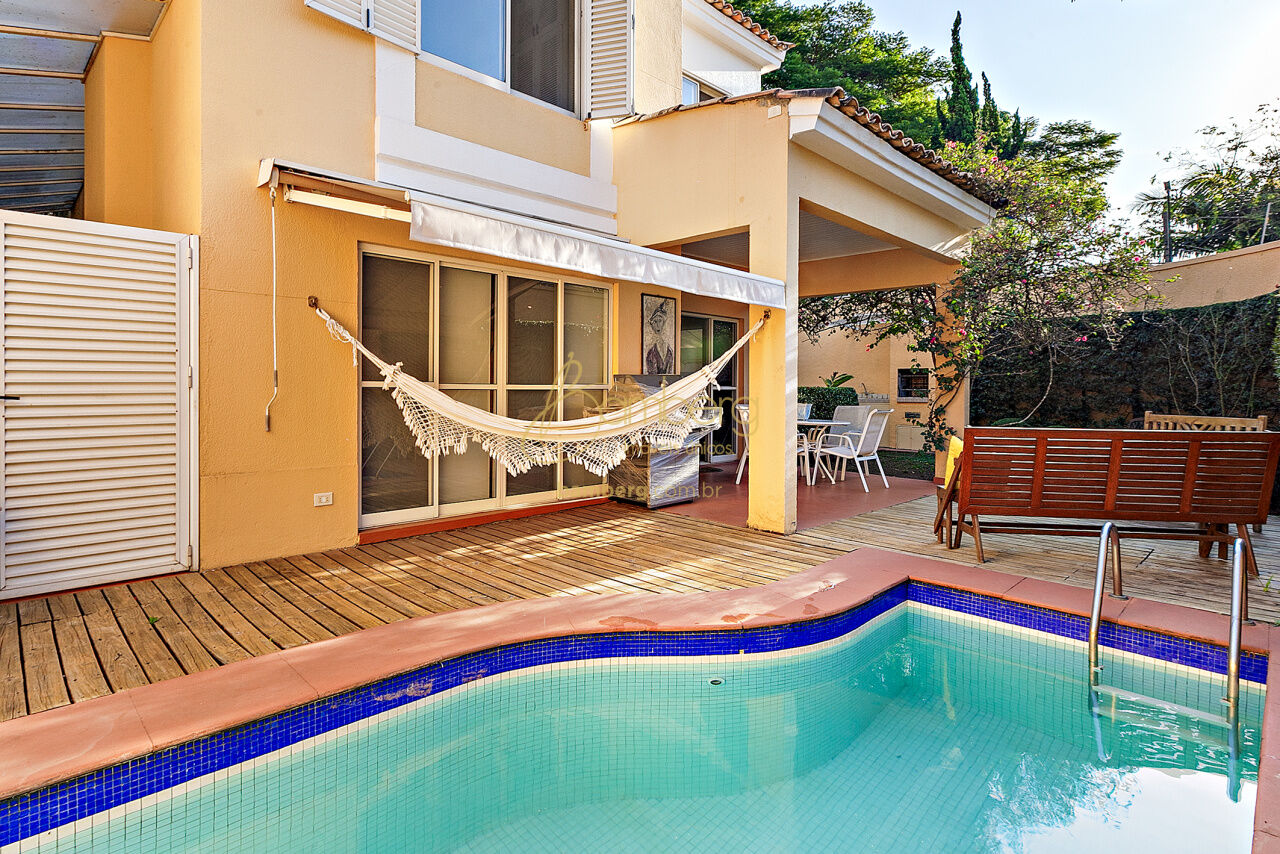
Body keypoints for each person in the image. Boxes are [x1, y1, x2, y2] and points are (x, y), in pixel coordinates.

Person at [644, 299, 674, 374]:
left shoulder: (669, 350)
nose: (657, 325)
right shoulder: (651, 351)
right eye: (655, 321)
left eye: (660, 321)